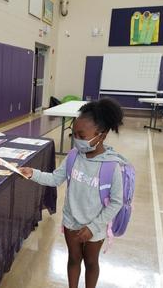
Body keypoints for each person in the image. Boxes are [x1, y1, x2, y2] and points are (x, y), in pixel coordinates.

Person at [19, 98, 126, 288]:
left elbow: (117, 202)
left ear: (102, 135)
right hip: (71, 221)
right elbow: (54, 179)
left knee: (91, 263)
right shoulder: (73, 156)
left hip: (95, 226)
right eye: (74, 134)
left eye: (81, 136)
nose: (76, 140)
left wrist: (93, 227)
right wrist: (32, 173)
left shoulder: (111, 166)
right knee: (73, 259)